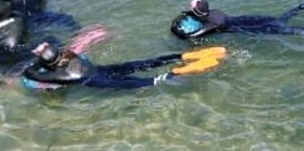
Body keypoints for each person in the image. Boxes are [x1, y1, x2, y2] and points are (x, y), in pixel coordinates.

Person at [22, 41, 227, 90]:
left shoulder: (58, 76)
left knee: (146, 82)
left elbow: (29, 73)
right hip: (101, 69)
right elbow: (54, 51)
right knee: (141, 64)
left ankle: (174, 74)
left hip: (97, 79)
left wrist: (35, 59)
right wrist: (43, 49)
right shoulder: (70, 54)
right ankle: (182, 56)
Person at [170, 0, 304, 40]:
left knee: (297, 31)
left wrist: (184, 35)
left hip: (252, 28)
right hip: (249, 19)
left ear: (197, 10)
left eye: (191, 6)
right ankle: (302, 7)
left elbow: (196, 34)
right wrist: (186, 14)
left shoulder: (214, 21)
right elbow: (198, 16)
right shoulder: (213, 12)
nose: (188, 6)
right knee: (283, 17)